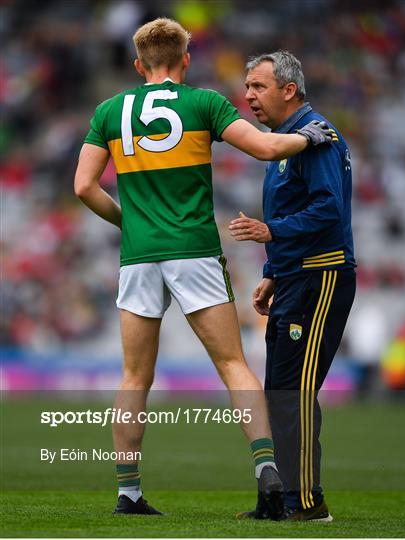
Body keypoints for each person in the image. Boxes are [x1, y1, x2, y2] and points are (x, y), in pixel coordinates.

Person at [74, 19, 332, 516]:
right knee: (233, 365)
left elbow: (84, 186)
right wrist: (310, 137)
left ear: (138, 65)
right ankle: (267, 475)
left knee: (133, 377)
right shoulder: (204, 103)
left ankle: (128, 494)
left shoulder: (108, 111)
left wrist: (129, 223)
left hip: (139, 255)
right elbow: (264, 146)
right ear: (185, 61)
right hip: (194, 249)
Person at [229, 50, 356, 522]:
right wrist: (270, 273)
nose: (247, 96)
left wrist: (271, 234)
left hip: (320, 275)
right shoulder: (282, 142)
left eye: (258, 87)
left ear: (289, 89)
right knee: (279, 390)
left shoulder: (317, 137)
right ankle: (282, 500)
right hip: (293, 278)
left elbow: (329, 209)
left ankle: (306, 502)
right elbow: (291, 211)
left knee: (294, 392)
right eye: (247, 87)